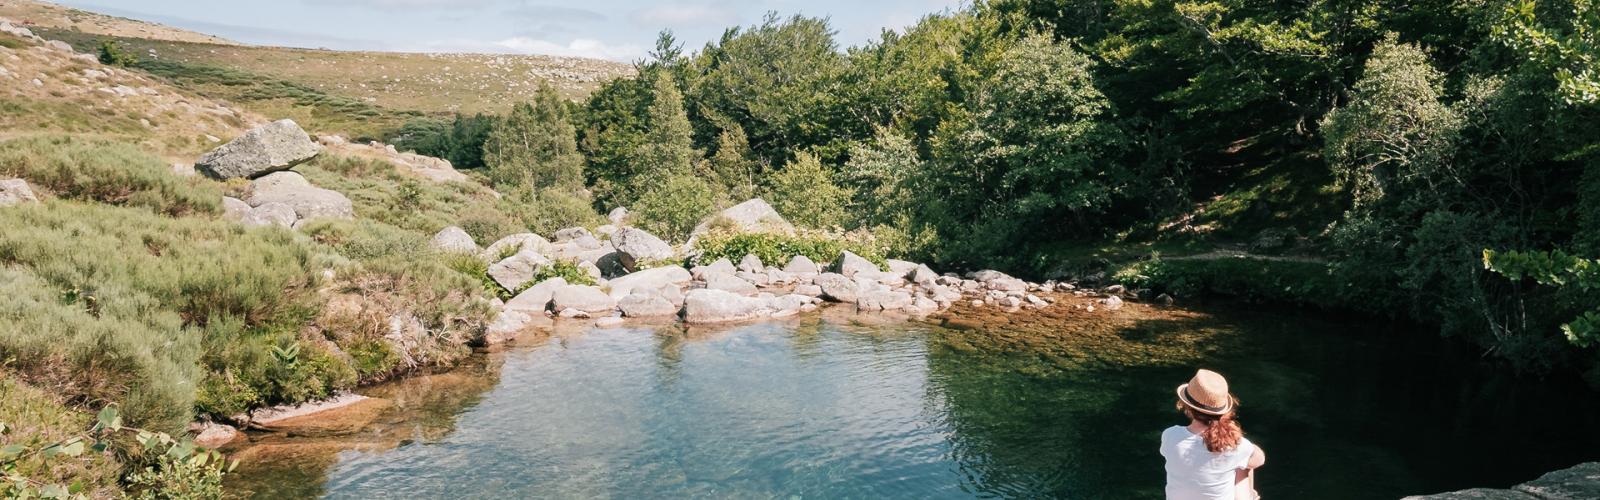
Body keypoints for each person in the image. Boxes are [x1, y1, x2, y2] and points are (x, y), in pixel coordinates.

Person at [1160, 369, 1266, 500]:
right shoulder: (1237, 446)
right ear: (1223, 411)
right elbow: (1259, 460)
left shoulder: (1170, 435)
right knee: (1244, 465)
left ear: (1187, 406)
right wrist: (1236, 438)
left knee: (1241, 460)